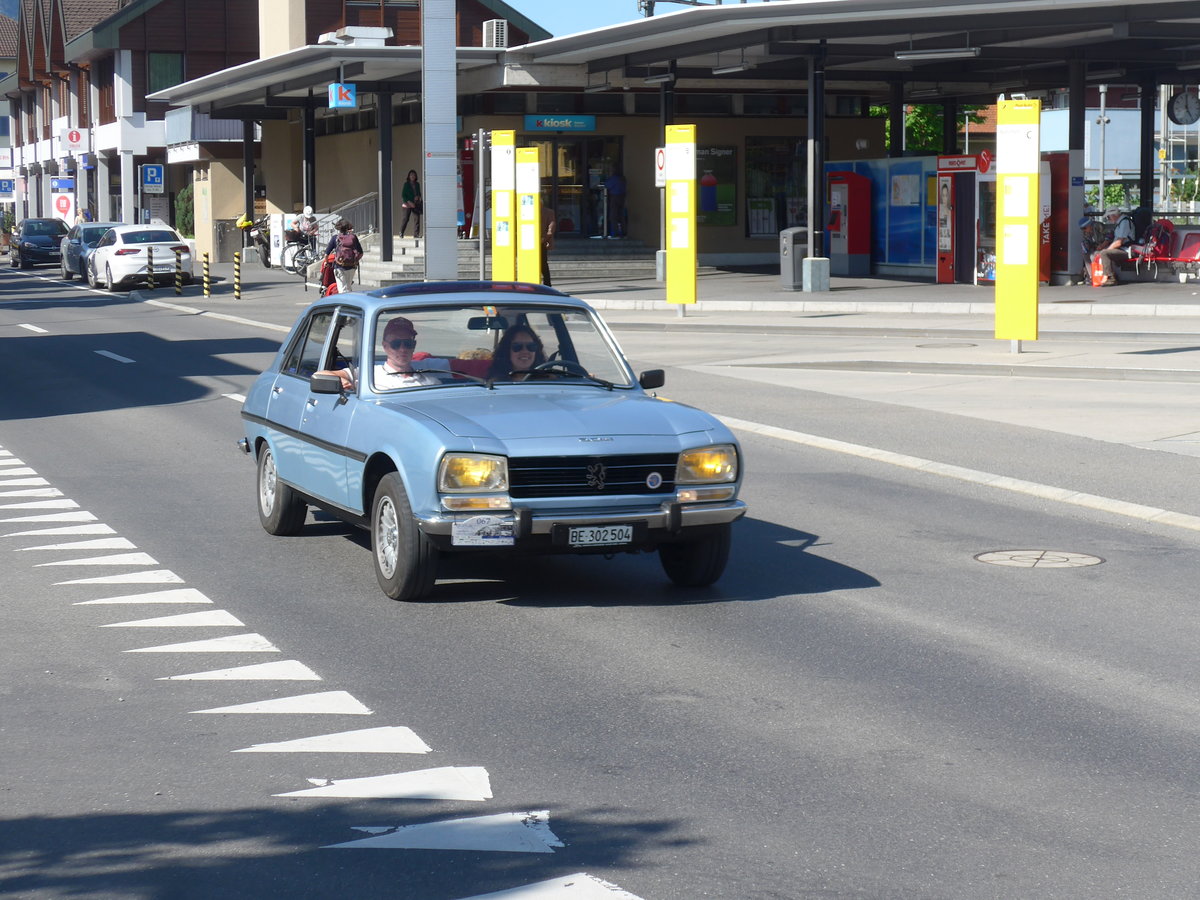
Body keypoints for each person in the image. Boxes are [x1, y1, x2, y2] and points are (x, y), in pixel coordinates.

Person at [374, 316, 445, 388]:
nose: (403, 349)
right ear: (385, 346)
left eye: (408, 343)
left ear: (414, 346)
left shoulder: (431, 384)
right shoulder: (371, 377)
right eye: (396, 344)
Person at [1095, 207, 1137, 286]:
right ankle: (1101, 275)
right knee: (1101, 252)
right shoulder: (1120, 223)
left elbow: (1119, 242)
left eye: (1108, 217)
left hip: (1127, 250)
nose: (1108, 219)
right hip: (1122, 249)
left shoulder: (1124, 223)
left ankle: (1110, 277)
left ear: (1114, 215)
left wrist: (1107, 250)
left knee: (1104, 253)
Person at [323, 219, 363, 295]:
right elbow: (360, 252)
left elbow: (326, 254)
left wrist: (327, 262)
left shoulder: (335, 238)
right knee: (348, 287)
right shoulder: (353, 237)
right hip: (352, 266)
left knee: (342, 289)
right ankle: (350, 303)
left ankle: (344, 304)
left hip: (339, 266)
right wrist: (355, 261)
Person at [1078, 215, 1107, 284]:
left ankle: (1099, 275)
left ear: (1089, 225)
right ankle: (1091, 276)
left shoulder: (1098, 226)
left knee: (1093, 256)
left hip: (1106, 245)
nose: (1083, 230)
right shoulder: (1086, 232)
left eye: (1084, 228)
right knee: (1086, 255)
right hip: (1096, 247)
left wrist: (1102, 245)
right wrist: (1085, 246)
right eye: (1082, 229)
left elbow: (1109, 235)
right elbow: (1088, 241)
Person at [399, 169, 422, 238]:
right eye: (411, 175)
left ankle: (416, 234)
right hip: (407, 204)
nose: (412, 176)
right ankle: (401, 232)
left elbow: (419, 193)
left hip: (415, 204)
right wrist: (409, 202)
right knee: (406, 219)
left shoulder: (417, 184)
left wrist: (418, 197)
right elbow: (403, 195)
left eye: (414, 175)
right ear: (409, 176)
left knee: (417, 219)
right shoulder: (406, 184)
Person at [604, 170, 626, 237]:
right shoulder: (622, 179)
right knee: (621, 215)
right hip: (622, 197)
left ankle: (615, 232)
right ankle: (623, 231)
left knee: (613, 216)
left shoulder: (614, 179)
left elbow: (607, 185)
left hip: (615, 197)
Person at [541, 202, 556, 287]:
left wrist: (545, 238)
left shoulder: (548, 212)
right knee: (543, 264)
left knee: (543, 264)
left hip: (542, 241)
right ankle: (547, 284)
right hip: (531, 242)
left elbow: (551, 226)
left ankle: (547, 284)